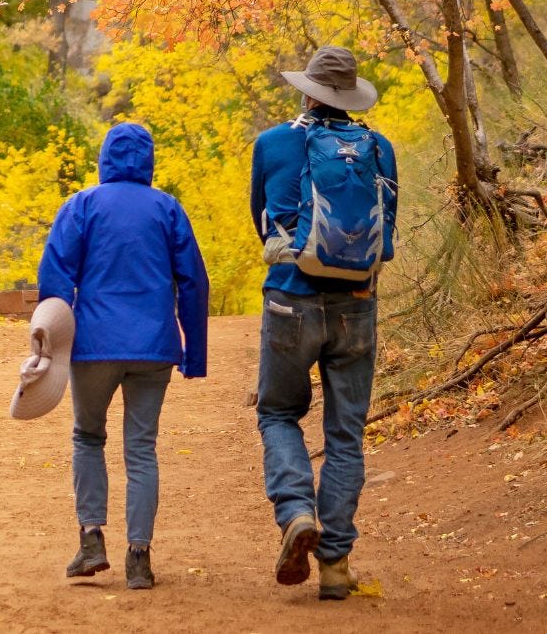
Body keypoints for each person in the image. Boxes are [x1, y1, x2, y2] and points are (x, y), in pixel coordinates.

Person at [249, 45, 397, 600]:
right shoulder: (378, 148)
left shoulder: (273, 143)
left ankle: (294, 513)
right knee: (345, 436)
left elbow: (260, 220)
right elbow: (388, 232)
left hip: (290, 299)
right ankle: (335, 566)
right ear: (350, 96)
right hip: (357, 301)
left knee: (279, 412)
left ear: (308, 90)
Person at [38, 122, 210, 590]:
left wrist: (52, 342)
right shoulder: (167, 208)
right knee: (141, 449)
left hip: (92, 346)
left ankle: (91, 538)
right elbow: (194, 281)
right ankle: (140, 558)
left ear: (104, 158)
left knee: (87, 436)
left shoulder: (82, 206)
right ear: (149, 160)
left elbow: (54, 275)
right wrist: (194, 354)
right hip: (154, 348)